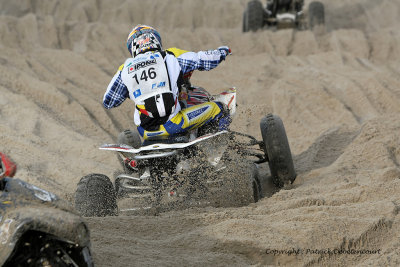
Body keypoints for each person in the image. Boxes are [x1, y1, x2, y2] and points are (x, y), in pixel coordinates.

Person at [103, 25, 232, 140]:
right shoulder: (170, 57)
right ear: (156, 40)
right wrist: (222, 52)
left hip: (144, 131)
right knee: (220, 108)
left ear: (132, 47)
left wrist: (135, 87)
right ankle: (219, 156)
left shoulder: (124, 69)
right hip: (173, 124)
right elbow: (203, 60)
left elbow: (109, 102)